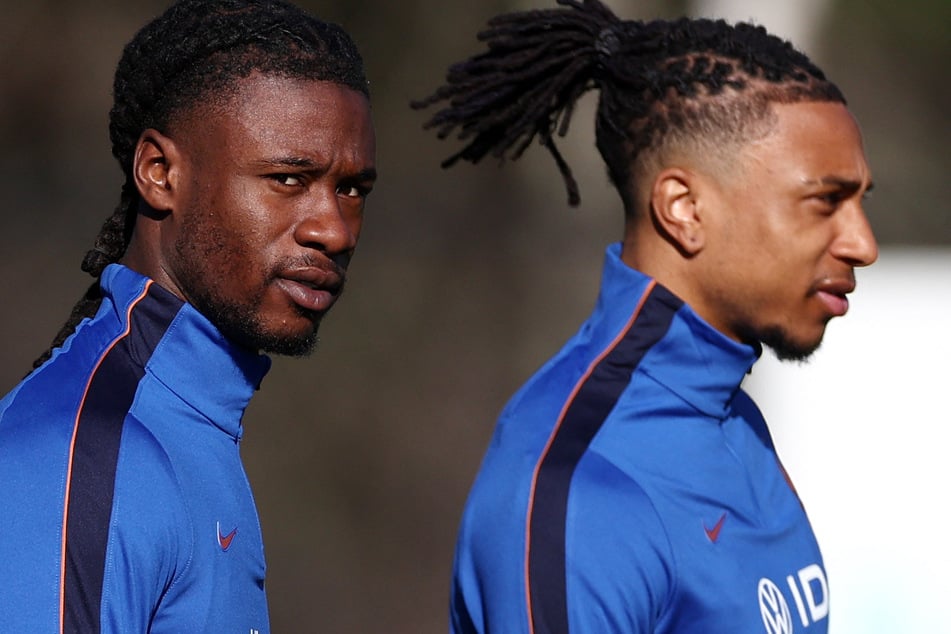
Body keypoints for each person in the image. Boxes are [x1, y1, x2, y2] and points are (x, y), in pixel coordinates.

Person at [413, 1, 877, 632]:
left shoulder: (733, 419)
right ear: (683, 209)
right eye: (825, 201)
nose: (862, 243)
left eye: (859, 202)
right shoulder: (581, 485)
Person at [0, 0, 375, 631]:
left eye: (352, 189)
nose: (333, 230)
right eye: (288, 178)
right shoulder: (82, 456)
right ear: (159, 172)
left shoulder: (187, 423)